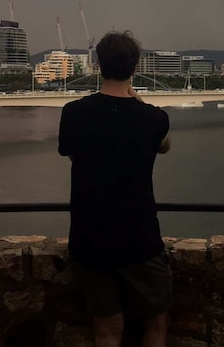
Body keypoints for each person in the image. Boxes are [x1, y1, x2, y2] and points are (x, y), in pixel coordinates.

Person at [58, 31, 172, 347]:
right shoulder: (153, 118)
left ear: (98, 65)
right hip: (140, 239)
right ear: (135, 67)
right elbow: (164, 146)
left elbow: (73, 154)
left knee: (106, 330)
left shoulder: (73, 113)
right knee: (156, 324)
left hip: (89, 239)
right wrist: (138, 100)